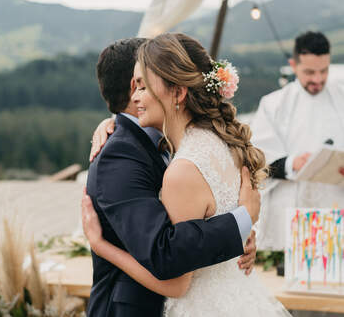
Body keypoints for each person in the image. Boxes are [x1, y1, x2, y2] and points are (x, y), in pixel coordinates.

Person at [83, 33, 291, 316]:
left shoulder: (184, 149)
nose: (137, 94)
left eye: (143, 85)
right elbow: (167, 255)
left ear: (177, 90)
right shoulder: (119, 156)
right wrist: (239, 224)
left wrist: (241, 231)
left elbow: (180, 254)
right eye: (137, 86)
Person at [251, 31, 344, 250]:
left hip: (336, 206)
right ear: (293, 65)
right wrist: (292, 163)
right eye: (309, 72)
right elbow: (256, 159)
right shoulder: (273, 104)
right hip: (290, 210)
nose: (317, 79)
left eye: (324, 71)